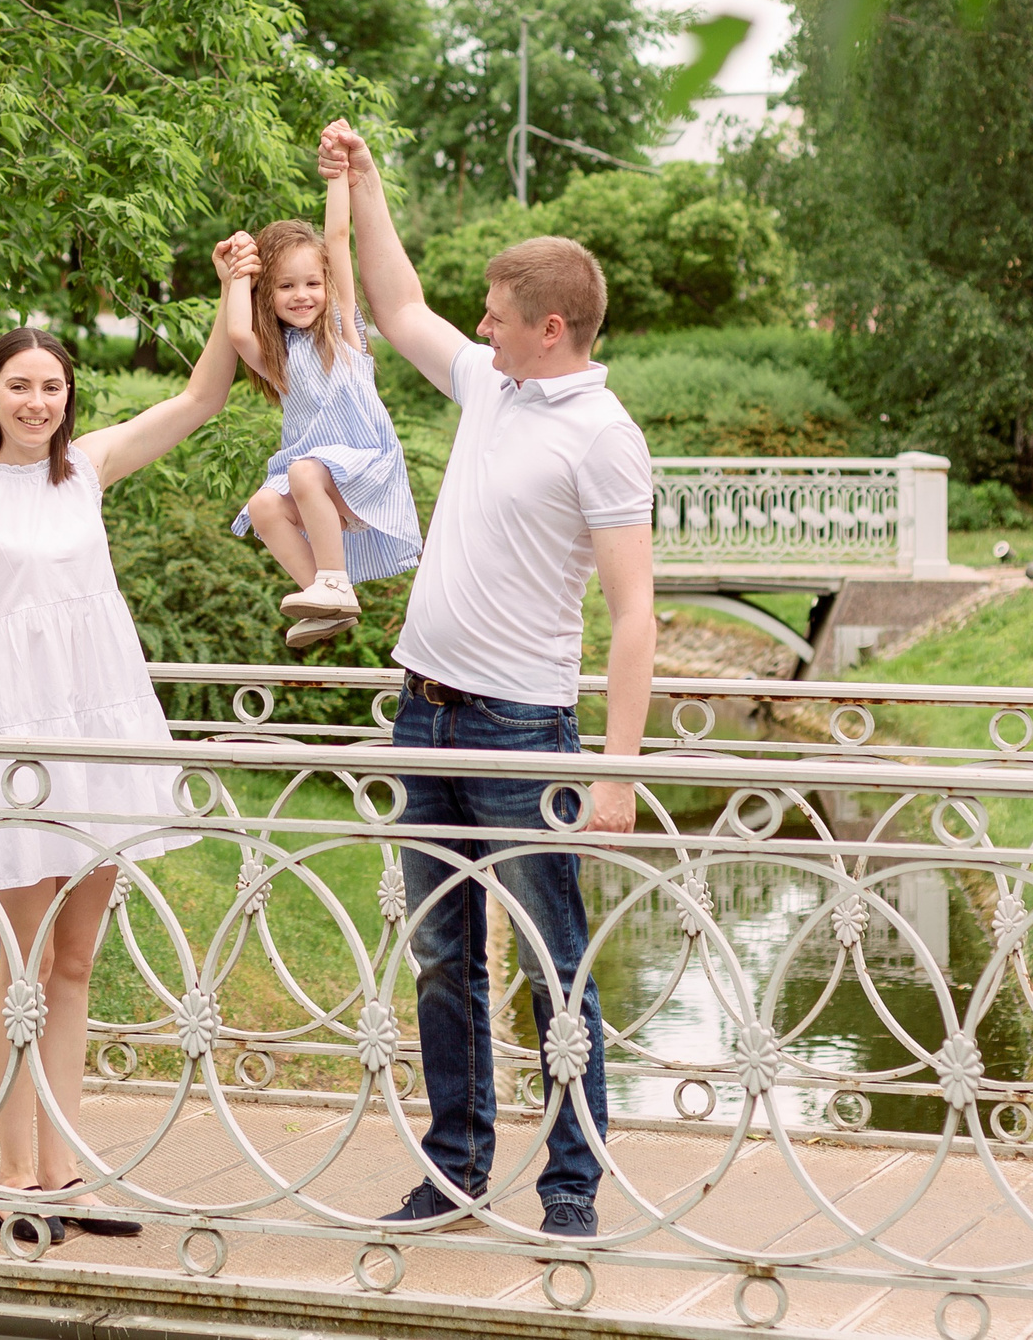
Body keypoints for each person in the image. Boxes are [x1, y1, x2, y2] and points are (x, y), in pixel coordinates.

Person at [323, 118, 656, 1242]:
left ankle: (571, 1189)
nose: (479, 326)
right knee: (440, 960)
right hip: (426, 713)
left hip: (522, 733)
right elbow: (398, 305)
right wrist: (364, 184)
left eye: (499, 315)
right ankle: (455, 1171)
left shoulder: (603, 435)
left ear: (548, 328)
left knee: (556, 968)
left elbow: (636, 614)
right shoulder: (493, 388)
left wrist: (614, 772)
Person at [0, 249, 252, 1243]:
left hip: (102, 728)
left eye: (52, 385)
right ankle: (14, 1180)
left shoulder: (87, 467)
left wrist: (236, 287)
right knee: (22, 970)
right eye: (21, 386)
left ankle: (68, 1176)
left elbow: (201, 395)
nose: (39, 400)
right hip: (20, 740)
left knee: (78, 963)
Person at [225, 138, 423, 648]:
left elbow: (336, 237)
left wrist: (337, 174)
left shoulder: (343, 332)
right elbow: (239, 334)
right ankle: (326, 596)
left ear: (326, 285)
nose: (301, 295)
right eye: (285, 287)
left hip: (366, 467)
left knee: (302, 469)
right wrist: (235, 277)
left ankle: (333, 582)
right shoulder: (280, 359)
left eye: (311, 283)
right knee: (265, 506)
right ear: (266, 294)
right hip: (318, 477)